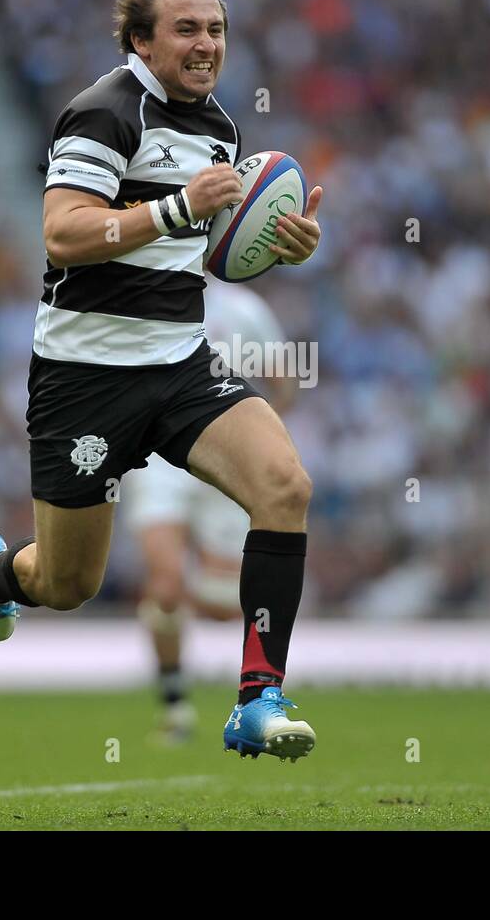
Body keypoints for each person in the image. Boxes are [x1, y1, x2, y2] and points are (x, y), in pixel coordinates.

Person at [0, 0, 324, 761]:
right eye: (187, 29)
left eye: (217, 29)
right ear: (140, 40)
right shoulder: (102, 113)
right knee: (69, 584)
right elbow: (62, 231)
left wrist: (277, 245)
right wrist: (174, 208)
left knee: (285, 485)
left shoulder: (220, 128)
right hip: (83, 381)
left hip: (180, 366)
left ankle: (258, 700)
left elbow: (190, 255)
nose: (207, 44)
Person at [125, 281, 297, 743]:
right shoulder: (148, 296)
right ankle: (175, 704)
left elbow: (284, 383)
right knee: (163, 581)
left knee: (224, 604)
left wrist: (256, 443)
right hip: (160, 460)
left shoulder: (244, 310)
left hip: (222, 459)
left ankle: (179, 608)